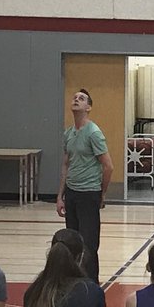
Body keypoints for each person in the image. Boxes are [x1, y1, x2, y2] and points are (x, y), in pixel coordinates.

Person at [57, 88, 114, 283]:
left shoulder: (94, 133)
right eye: (74, 97)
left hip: (89, 193)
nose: (76, 100)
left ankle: (91, 285)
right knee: (71, 242)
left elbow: (108, 166)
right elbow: (66, 164)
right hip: (72, 193)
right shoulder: (68, 133)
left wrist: (102, 193)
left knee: (88, 244)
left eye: (81, 99)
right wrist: (60, 196)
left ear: (88, 107)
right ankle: (73, 281)